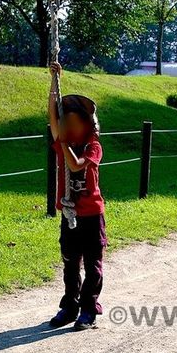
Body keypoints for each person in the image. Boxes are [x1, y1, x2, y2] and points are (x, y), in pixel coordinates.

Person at [47, 61, 106, 331]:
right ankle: (69, 306)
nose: (67, 129)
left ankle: (88, 308)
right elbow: (52, 119)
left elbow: (76, 166)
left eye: (73, 123)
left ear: (88, 126)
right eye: (65, 123)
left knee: (92, 265)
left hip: (92, 215)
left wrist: (64, 144)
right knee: (70, 263)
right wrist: (53, 83)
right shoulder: (63, 143)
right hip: (70, 214)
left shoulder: (93, 147)